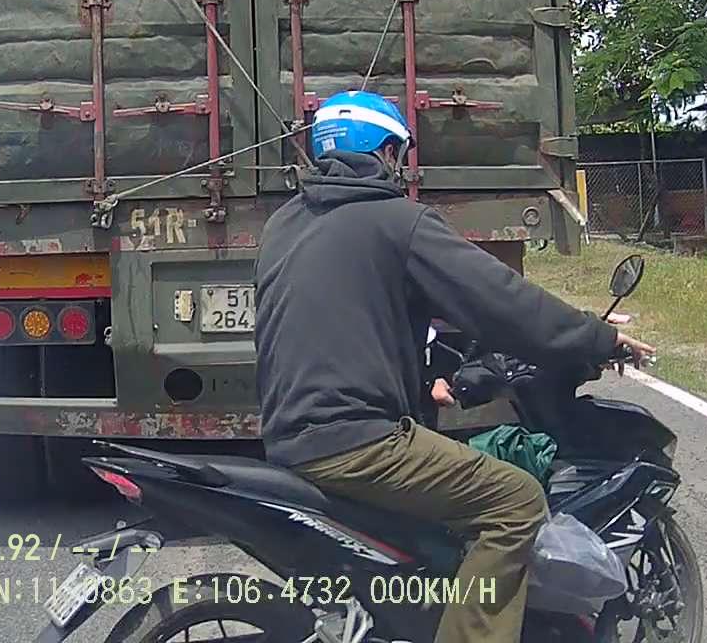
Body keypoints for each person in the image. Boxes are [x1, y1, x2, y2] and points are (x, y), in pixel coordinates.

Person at [253, 91, 654, 643]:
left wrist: (431, 378)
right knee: (515, 501)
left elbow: (352, 318)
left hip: (287, 436)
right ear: (384, 153)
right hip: (356, 441)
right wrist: (597, 339)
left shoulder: (283, 225)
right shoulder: (397, 221)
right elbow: (501, 301)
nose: (401, 168)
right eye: (399, 155)